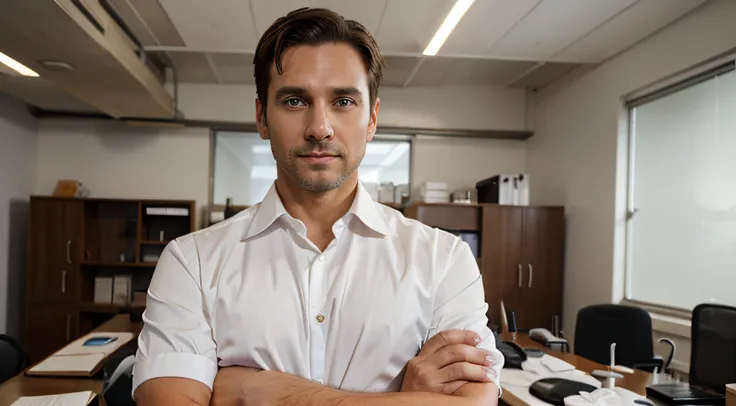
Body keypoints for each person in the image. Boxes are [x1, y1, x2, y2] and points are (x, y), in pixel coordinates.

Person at [133, 7, 503, 406]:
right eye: (294, 101)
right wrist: (402, 399)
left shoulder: (444, 260)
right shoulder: (193, 262)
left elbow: (472, 402)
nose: (319, 127)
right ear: (262, 117)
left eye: (343, 100)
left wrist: (270, 394)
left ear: (372, 119)